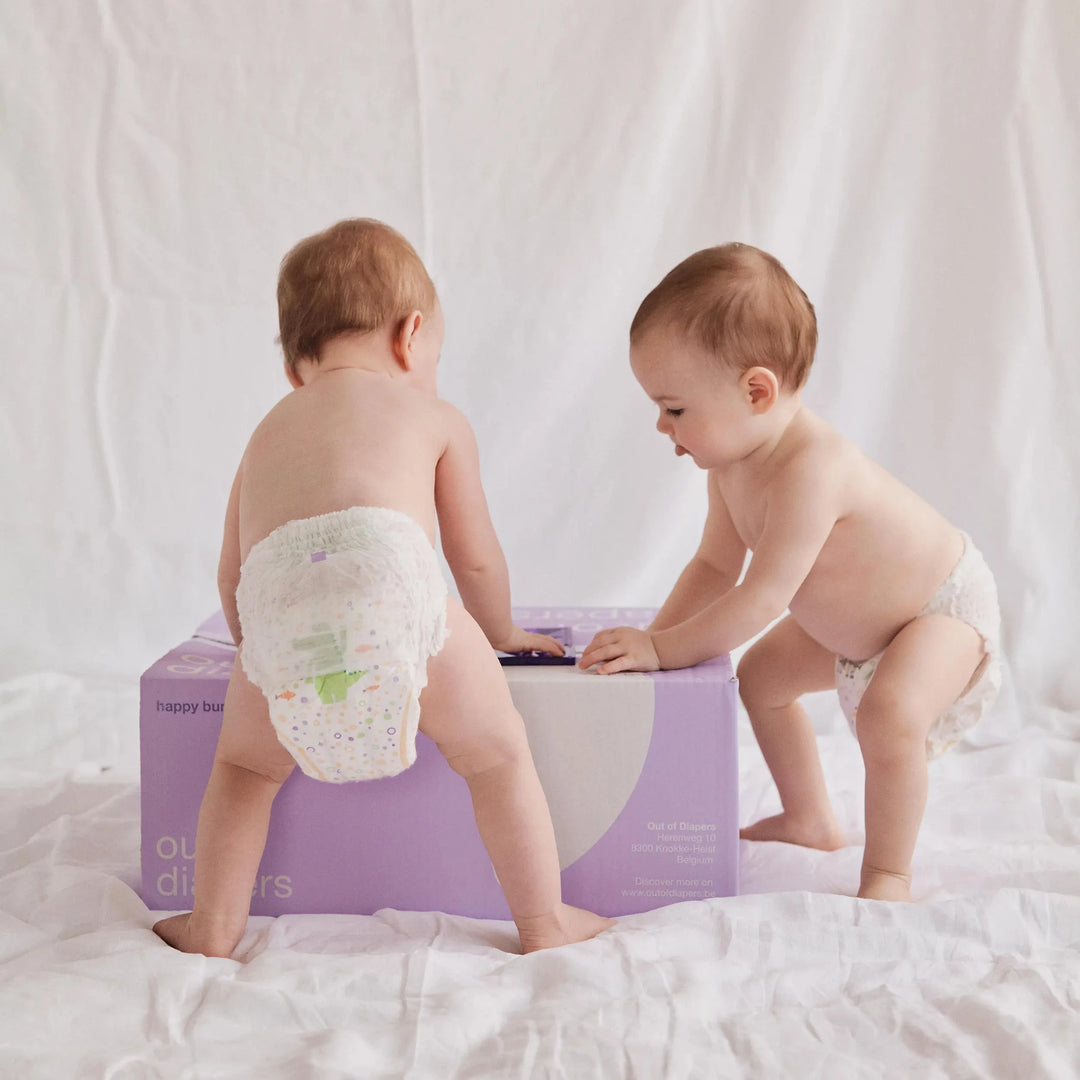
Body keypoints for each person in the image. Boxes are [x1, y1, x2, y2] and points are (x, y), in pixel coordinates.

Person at [154, 218, 614, 956]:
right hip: (396, 598)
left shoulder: (268, 429)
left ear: (295, 368)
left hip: (282, 609)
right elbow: (474, 558)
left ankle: (212, 925)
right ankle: (543, 921)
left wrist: (262, 657)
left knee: (241, 771)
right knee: (497, 757)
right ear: (410, 336)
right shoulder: (434, 416)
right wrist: (500, 633)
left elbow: (233, 573)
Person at [578, 243, 1000, 902]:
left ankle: (888, 871)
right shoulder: (728, 468)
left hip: (939, 609)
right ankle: (809, 818)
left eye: (675, 408)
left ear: (756, 391)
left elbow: (764, 596)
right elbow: (714, 566)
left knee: (889, 715)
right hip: (859, 628)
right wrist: (653, 642)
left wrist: (663, 651)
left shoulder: (813, 469)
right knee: (762, 677)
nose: (661, 425)